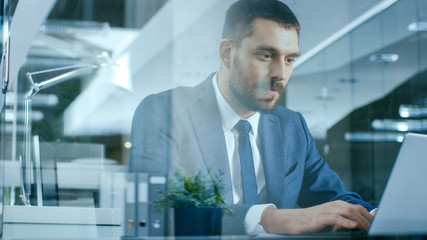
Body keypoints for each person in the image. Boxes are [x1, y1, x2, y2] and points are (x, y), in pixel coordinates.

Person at [130, 0, 375, 235]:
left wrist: (379, 217)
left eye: (289, 59)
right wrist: (270, 219)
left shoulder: (292, 127)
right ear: (227, 53)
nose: (280, 73)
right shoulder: (164, 111)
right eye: (266, 55)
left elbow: (336, 199)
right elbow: (160, 209)